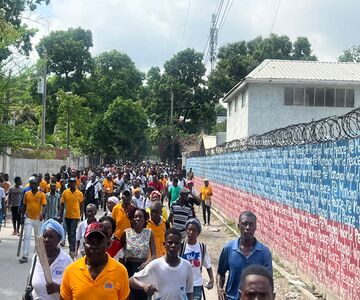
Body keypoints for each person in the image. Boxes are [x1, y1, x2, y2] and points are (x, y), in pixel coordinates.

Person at [60, 222, 130, 300]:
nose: (94, 246)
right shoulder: (71, 271)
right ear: (84, 245)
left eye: (99, 242)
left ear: (108, 244)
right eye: (90, 242)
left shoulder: (120, 271)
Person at [217, 211, 273, 300]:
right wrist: (219, 288)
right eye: (244, 224)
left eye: (251, 225)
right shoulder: (229, 249)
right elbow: (221, 272)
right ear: (239, 226)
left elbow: (268, 281)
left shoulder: (264, 252)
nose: (247, 228)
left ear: (255, 227)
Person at [129, 228, 194, 300]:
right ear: (164, 244)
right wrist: (144, 286)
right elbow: (132, 280)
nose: (173, 246)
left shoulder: (187, 266)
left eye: (176, 243)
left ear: (180, 246)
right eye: (170, 242)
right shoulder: (155, 265)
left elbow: (190, 292)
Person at [30, 219, 73, 300]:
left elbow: (73, 290)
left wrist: (58, 288)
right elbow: (30, 282)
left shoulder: (66, 260)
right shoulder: (36, 257)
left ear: (59, 239)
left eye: (51, 237)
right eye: (44, 236)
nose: (46, 240)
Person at [121, 208, 156, 300]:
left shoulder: (149, 232)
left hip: (143, 268)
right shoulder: (126, 233)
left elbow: (154, 255)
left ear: (145, 219)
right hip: (129, 267)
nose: (138, 219)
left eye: (141, 217)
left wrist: (147, 263)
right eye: (135, 217)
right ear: (131, 219)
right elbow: (120, 249)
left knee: (142, 294)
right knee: (130, 294)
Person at [181, 218, 214, 300]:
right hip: (182, 285)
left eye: (194, 230)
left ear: (198, 232)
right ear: (186, 230)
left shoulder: (202, 247)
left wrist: (212, 280)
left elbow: (208, 265)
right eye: (189, 230)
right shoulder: (181, 246)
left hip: (196, 286)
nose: (191, 232)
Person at [19, 178, 47, 264]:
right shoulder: (27, 194)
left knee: (37, 238)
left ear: (37, 185)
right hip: (28, 218)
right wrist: (22, 217)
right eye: (31, 184)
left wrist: (42, 213)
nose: (32, 186)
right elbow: (24, 205)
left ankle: (36, 255)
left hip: (38, 219)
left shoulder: (42, 194)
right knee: (26, 236)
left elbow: (45, 205)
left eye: (34, 184)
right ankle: (25, 255)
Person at [58, 177, 84, 258]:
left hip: (75, 216)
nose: (72, 184)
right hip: (67, 215)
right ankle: (71, 247)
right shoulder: (65, 192)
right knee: (69, 233)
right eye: (70, 182)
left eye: (73, 182)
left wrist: (82, 213)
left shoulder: (79, 193)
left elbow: (82, 204)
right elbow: (62, 204)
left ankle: (72, 249)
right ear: (69, 183)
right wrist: (60, 213)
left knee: (72, 232)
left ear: (75, 183)